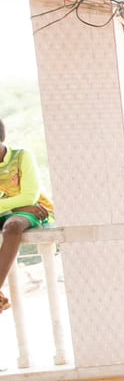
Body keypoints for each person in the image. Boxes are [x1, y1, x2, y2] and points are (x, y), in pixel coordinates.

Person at [0, 118, 55, 313]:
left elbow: (30, 196)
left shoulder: (22, 156)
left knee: (12, 227)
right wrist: (15, 207)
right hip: (14, 210)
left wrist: (18, 208)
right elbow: (22, 200)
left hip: (35, 210)